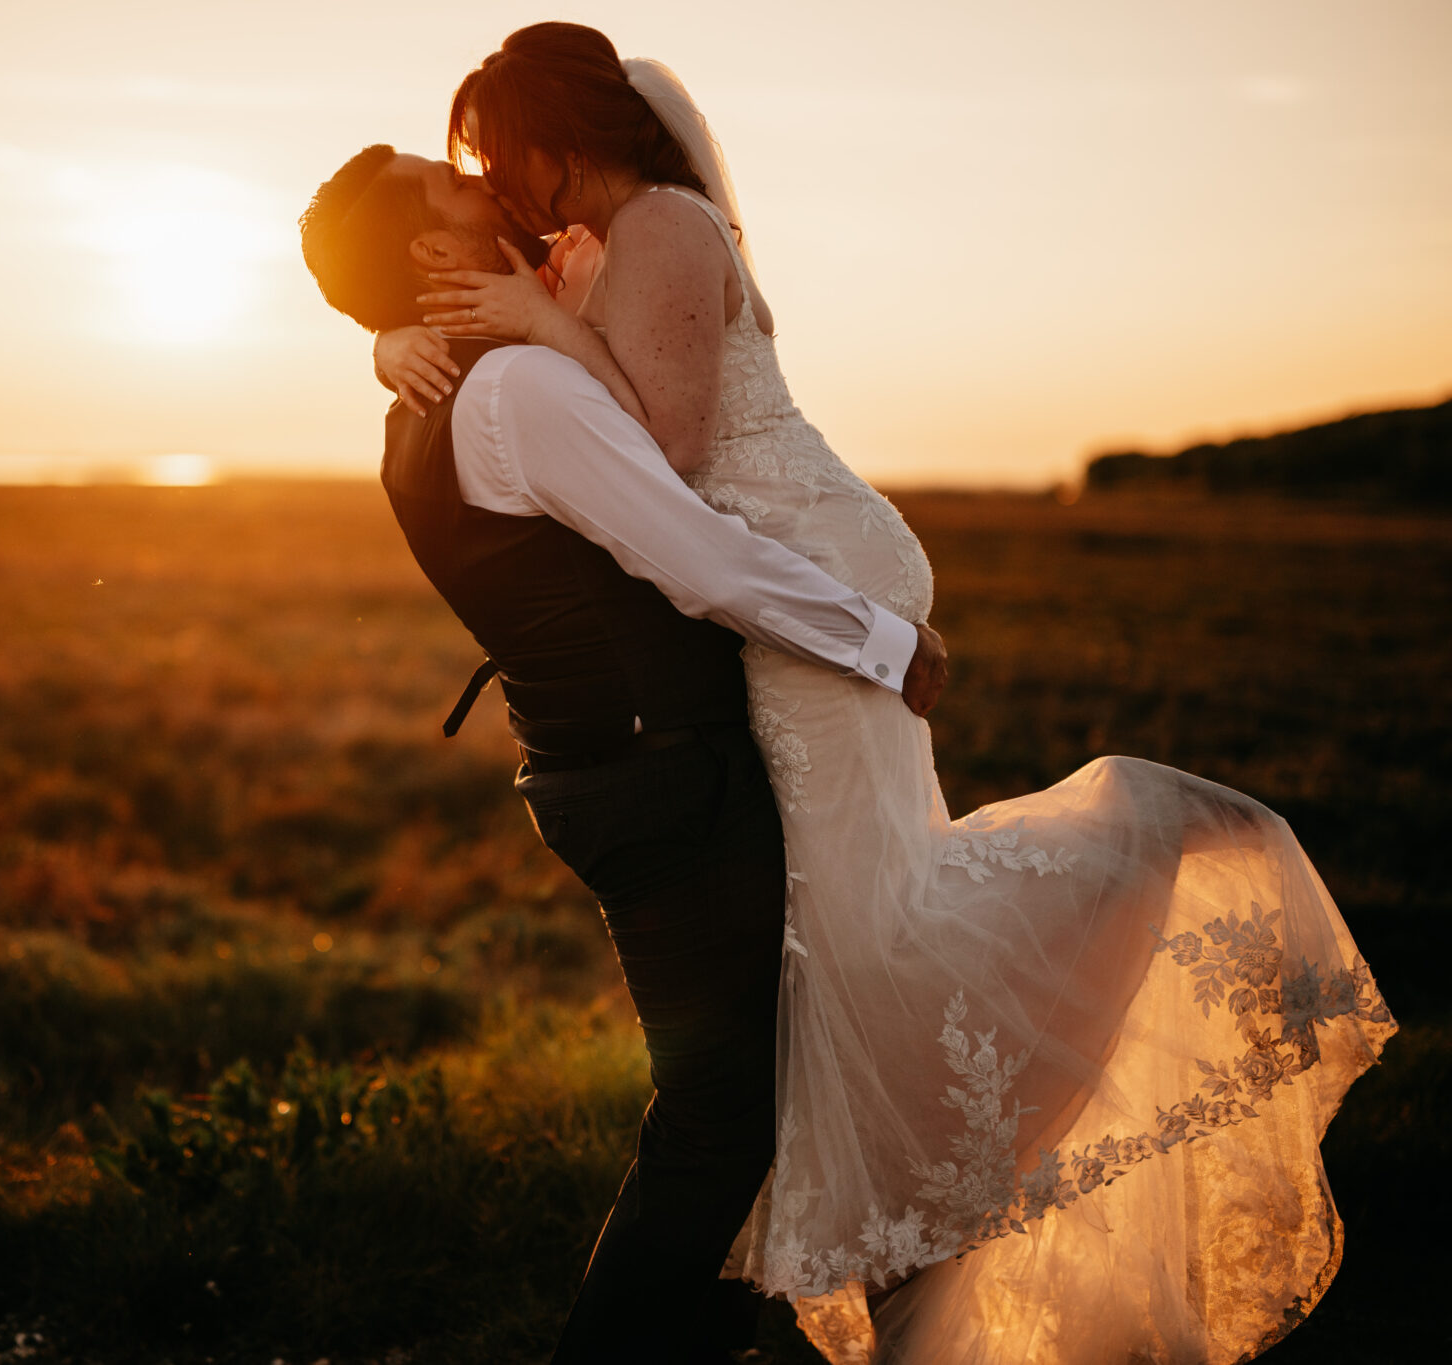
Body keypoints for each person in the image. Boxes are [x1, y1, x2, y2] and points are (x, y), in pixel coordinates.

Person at [388, 22, 1397, 1364]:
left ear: (561, 140)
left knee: (872, 941)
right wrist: (405, 334)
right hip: (783, 599)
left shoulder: (663, 226)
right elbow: (519, 380)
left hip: (807, 585)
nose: (495, 182)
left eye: (499, 153)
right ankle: (888, 1239)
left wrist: (532, 324)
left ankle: (1115, 895)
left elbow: (666, 449)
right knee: (845, 950)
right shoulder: (586, 254)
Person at [300, 145, 949, 1364]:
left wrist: (388, 336)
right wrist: (876, 640)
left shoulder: (423, 400)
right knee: (720, 1114)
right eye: (450, 187)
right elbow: (694, 556)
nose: (480, 181)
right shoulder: (517, 391)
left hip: (604, 774)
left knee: (738, 1096)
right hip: (664, 781)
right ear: (433, 254)